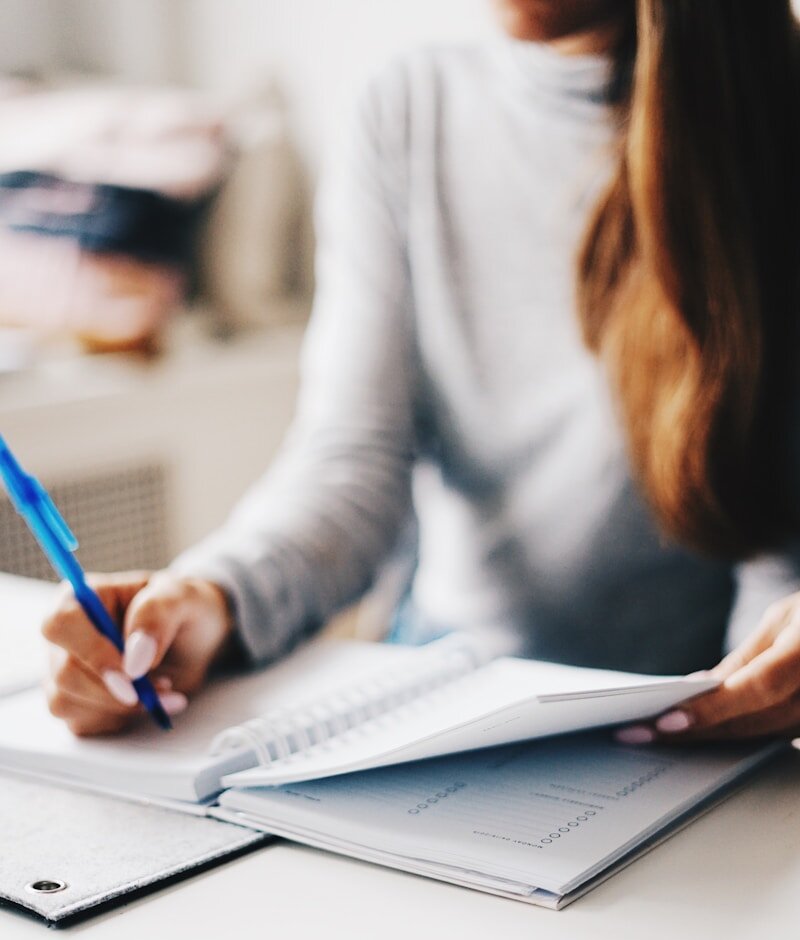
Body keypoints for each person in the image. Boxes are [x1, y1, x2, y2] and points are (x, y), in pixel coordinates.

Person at [41, 0, 800, 747]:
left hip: (705, 744)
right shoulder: (409, 109)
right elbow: (352, 463)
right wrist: (210, 597)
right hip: (445, 713)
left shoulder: (774, 116)